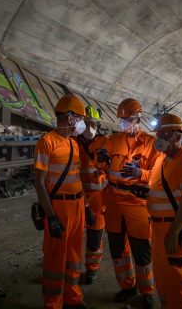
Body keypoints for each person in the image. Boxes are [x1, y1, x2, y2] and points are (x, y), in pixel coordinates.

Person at [96, 98, 159, 308]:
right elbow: (101, 167)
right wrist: (100, 160)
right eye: (121, 119)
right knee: (117, 249)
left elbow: (159, 176)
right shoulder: (113, 140)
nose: (123, 123)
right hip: (113, 202)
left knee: (141, 250)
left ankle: (147, 292)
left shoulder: (150, 143)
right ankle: (127, 286)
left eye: (127, 119)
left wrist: (140, 173)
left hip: (136, 202)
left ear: (138, 118)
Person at [33, 95, 94, 309]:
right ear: (69, 118)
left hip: (77, 206)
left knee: (74, 254)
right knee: (55, 257)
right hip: (58, 207)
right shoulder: (46, 142)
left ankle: (73, 298)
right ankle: (53, 303)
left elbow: (76, 178)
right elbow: (39, 183)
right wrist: (51, 216)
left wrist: (86, 206)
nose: (82, 123)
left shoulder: (73, 144)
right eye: (80, 118)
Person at [147, 114, 182, 309]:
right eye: (158, 134)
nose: (158, 138)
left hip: (173, 230)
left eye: (164, 134)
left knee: (178, 281)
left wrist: (174, 232)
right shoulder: (161, 161)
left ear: (177, 136)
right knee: (163, 278)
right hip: (157, 230)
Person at [77, 105, 108, 285]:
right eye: (85, 123)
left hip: (98, 201)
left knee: (95, 239)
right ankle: (71, 270)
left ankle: (91, 271)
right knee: (74, 239)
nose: (89, 128)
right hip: (77, 199)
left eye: (93, 124)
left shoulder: (105, 143)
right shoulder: (73, 142)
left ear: (98, 125)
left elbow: (113, 169)